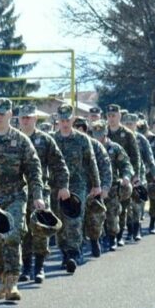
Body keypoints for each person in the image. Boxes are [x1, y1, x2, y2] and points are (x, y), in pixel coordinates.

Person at [0, 98, 44, 298]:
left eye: (3, 113)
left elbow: (34, 170)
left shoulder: (21, 140)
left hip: (15, 195)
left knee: (12, 236)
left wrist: (37, 195)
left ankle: (12, 283)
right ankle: (1, 279)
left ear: (11, 115)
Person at [19, 103, 69, 283]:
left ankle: (39, 267)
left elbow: (59, 164)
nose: (26, 120)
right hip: (17, 191)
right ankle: (25, 267)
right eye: (23, 117)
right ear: (18, 119)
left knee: (41, 229)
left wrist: (63, 185)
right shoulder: (13, 138)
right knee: (23, 230)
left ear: (35, 119)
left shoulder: (45, 140)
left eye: (29, 117)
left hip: (41, 190)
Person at [52, 104, 101, 273]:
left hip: (77, 184)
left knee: (74, 219)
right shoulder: (53, 139)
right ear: (58, 120)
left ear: (72, 119)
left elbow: (91, 162)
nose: (65, 123)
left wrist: (96, 185)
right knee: (59, 222)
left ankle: (75, 253)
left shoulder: (82, 139)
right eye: (62, 120)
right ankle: (65, 253)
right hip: (56, 186)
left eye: (68, 120)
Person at [91, 121, 133, 251]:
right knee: (95, 216)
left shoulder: (114, 148)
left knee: (112, 215)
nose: (98, 137)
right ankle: (98, 239)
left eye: (100, 134)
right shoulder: (90, 147)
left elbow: (126, 164)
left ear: (105, 133)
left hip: (113, 187)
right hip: (94, 187)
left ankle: (112, 238)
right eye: (95, 134)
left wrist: (126, 176)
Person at [75, 117, 111, 258]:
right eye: (76, 128)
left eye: (81, 128)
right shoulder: (69, 144)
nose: (79, 131)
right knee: (76, 221)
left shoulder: (95, 146)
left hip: (93, 190)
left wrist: (105, 187)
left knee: (95, 220)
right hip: (75, 188)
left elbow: (106, 168)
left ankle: (95, 240)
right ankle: (76, 251)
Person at [106, 104, 141, 246]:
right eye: (109, 115)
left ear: (119, 116)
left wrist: (135, 175)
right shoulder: (103, 132)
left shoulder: (127, 134)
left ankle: (119, 235)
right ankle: (110, 236)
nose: (111, 118)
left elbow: (135, 156)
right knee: (110, 207)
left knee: (123, 206)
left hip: (125, 175)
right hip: (108, 175)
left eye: (114, 115)